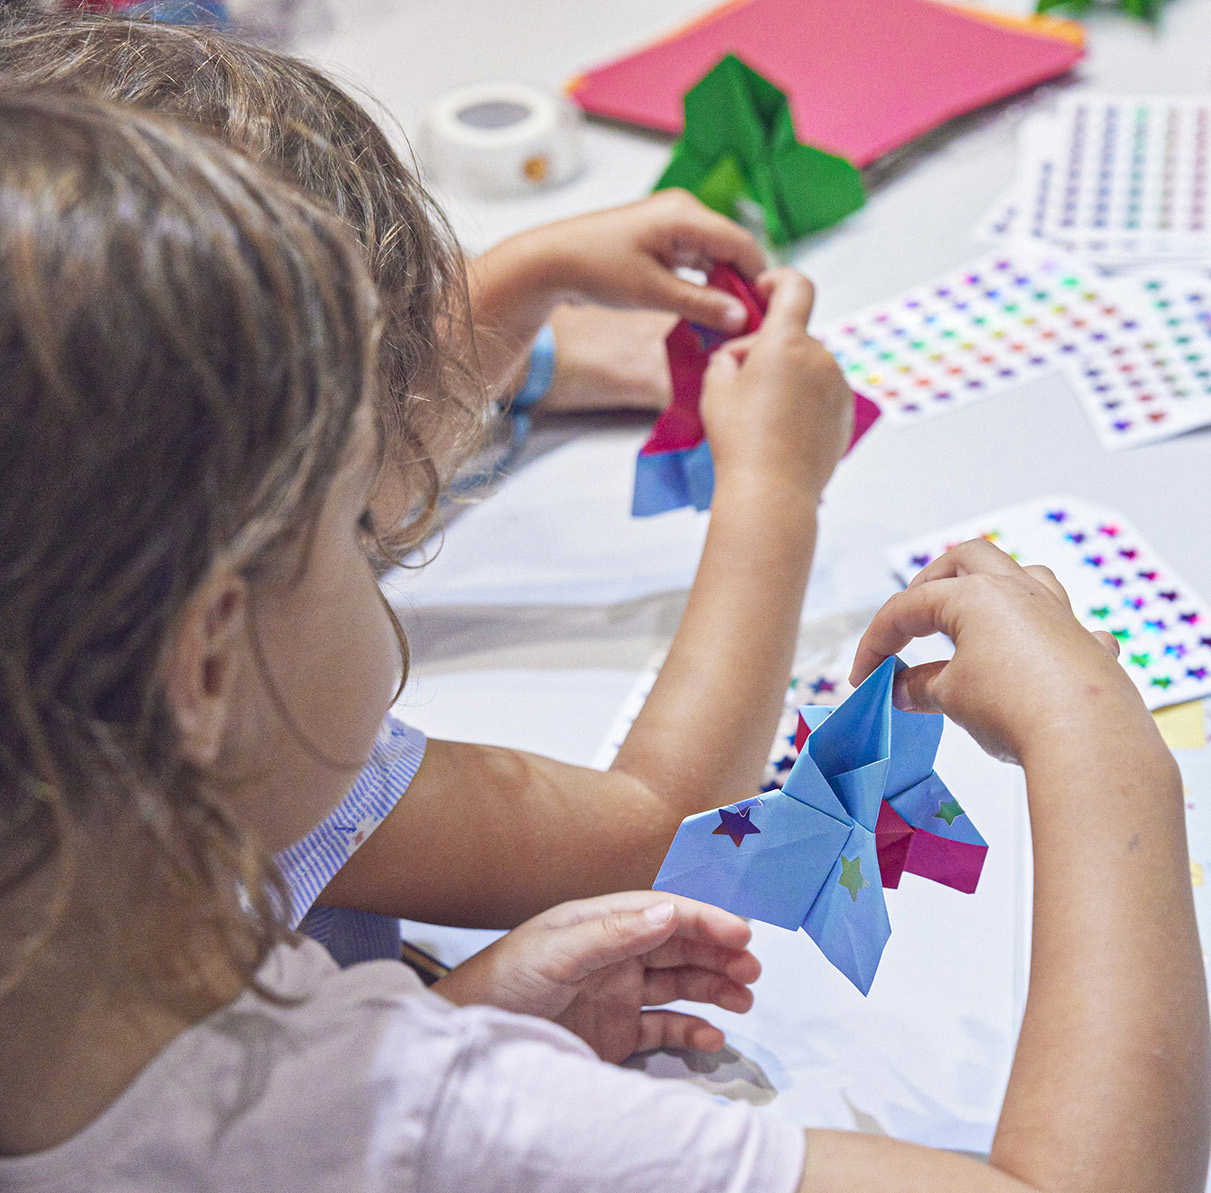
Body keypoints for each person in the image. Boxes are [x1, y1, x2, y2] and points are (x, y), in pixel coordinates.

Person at [0, 92, 1209, 1193]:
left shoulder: (70, 922)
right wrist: (1096, 734)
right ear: (205, 665)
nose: (395, 544)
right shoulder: (423, 1143)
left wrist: (449, 1011)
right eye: (354, 530)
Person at [0, 12, 848, 978]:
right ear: (209, 636)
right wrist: (776, 487)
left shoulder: (74, 606)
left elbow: (328, 475)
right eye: (347, 517)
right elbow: (655, 830)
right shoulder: (240, 765)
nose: (378, 534)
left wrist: (527, 280)